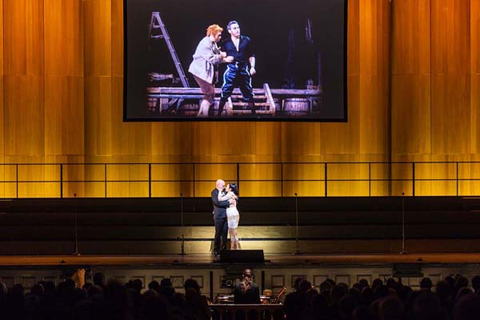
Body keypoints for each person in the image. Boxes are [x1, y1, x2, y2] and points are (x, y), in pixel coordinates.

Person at [189, 24, 234, 117]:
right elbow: (212, 59)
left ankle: (201, 114)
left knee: (209, 94)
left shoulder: (213, 43)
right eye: (219, 35)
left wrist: (223, 53)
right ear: (213, 34)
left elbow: (216, 52)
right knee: (210, 94)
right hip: (200, 72)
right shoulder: (205, 43)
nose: (220, 37)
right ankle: (204, 115)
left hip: (206, 72)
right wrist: (224, 58)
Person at [217, 21, 256, 117]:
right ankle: (218, 115)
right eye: (234, 28)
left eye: (238, 27)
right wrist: (226, 60)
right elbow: (220, 56)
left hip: (243, 68)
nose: (237, 30)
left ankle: (254, 115)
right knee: (225, 91)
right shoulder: (225, 43)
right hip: (231, 69)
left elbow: (251, 55)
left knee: (248, 91)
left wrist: (252, 67)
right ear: (230, 31)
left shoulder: (246, 40)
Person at [211, 179, 233, 256]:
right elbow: (217, 202)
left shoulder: (224, 192)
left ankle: (223, 250)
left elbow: (230, 198)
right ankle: (216, 250)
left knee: (224, 234)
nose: (224, 187)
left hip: (226, 215)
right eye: (223, 185)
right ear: (218, 185)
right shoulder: (214, 192)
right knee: (218, 233)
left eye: (224, 185)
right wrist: (228, 202)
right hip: (219, 216)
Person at [218, 183, 241, 249]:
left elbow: (220, 199)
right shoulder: (233, 194)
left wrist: (219, 191)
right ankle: (235, 247)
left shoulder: (230, 194)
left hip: (231, 214)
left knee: (232, 232)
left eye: (227, 187)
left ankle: (234, 248)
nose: (225, 187)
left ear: (230, 189)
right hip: (234, 213)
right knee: (234, 231)